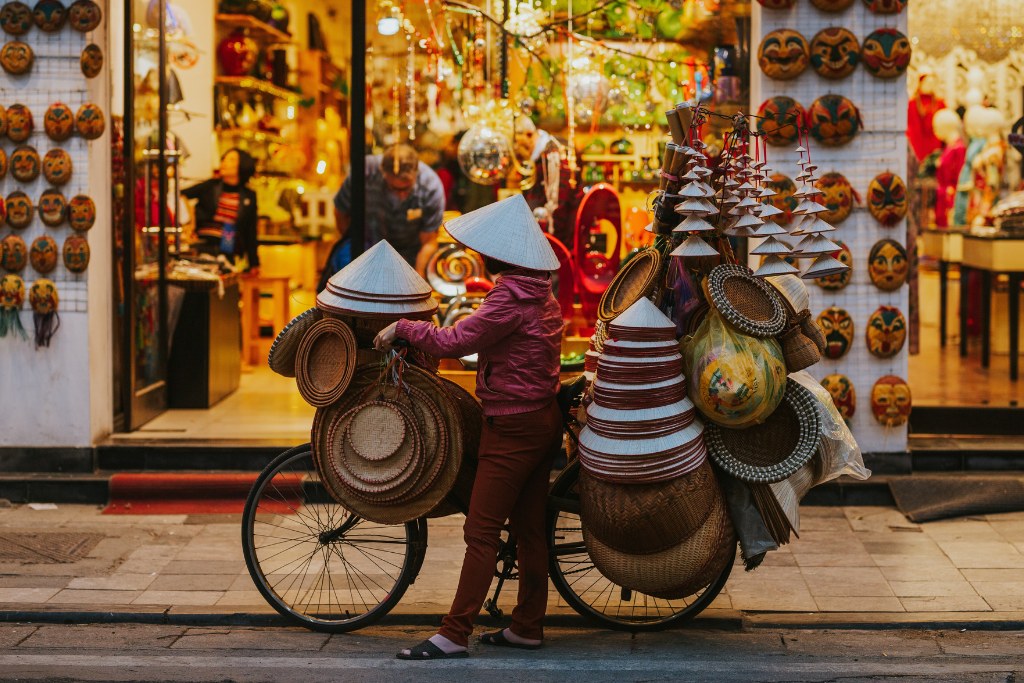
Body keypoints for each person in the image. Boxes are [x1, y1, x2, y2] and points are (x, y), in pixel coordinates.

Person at [373, 194, 564, 661]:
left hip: (512, 426)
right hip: (542, 421)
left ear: (500, 255)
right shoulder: (540, 292)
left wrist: (403, 328)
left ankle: (454, 633)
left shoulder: (509, 297)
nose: (480, 255)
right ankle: (527, 627)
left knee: (480, 531)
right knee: (530, 530)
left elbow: (453, 341)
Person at [333, 143, 444, 274]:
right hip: (367, 248)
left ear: (416, 173)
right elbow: (341, 211)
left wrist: (418, 279)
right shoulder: (365, 171)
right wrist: (354, 244)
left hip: (409, 255)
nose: (401, 195)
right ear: (383, 173)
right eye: (395, 189)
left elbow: (428, 241)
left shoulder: (431, 186)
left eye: (406, 188)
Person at [182, 148, 259, 271]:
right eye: (224, 159)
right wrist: (190, 220)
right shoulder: (211, 186)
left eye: (231, 159)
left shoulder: (248, 196)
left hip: (228, 250)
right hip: (202, 247)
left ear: (243, 165)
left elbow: (250, 231)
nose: (224, 162)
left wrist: (254, 263)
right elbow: (181, 195)